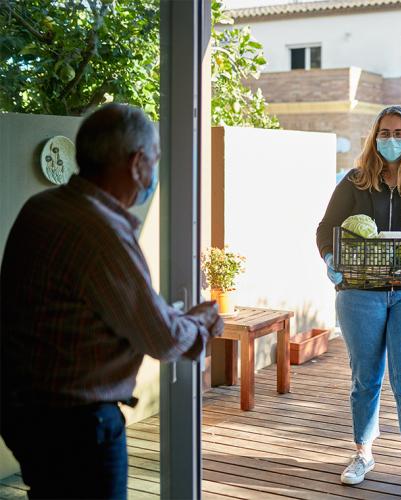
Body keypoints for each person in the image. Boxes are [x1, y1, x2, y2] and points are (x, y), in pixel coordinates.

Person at [0, 103, 224, 499]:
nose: (154, 173)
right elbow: (162, 339)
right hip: (76, 427)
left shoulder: (42, 208)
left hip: (26, 412)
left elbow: (100, 311)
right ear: (137, 162)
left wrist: (173, 319)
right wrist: (201, 323)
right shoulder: (100, 232)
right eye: (154, 160)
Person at [316, 105, 401, 485]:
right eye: (384, 132)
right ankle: (363, 454)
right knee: (366, 377)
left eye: (398, 133)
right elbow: (326, 227)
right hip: (359, 293)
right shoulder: (355, 181)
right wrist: (330, 257)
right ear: (374, 136)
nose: (390, 140)